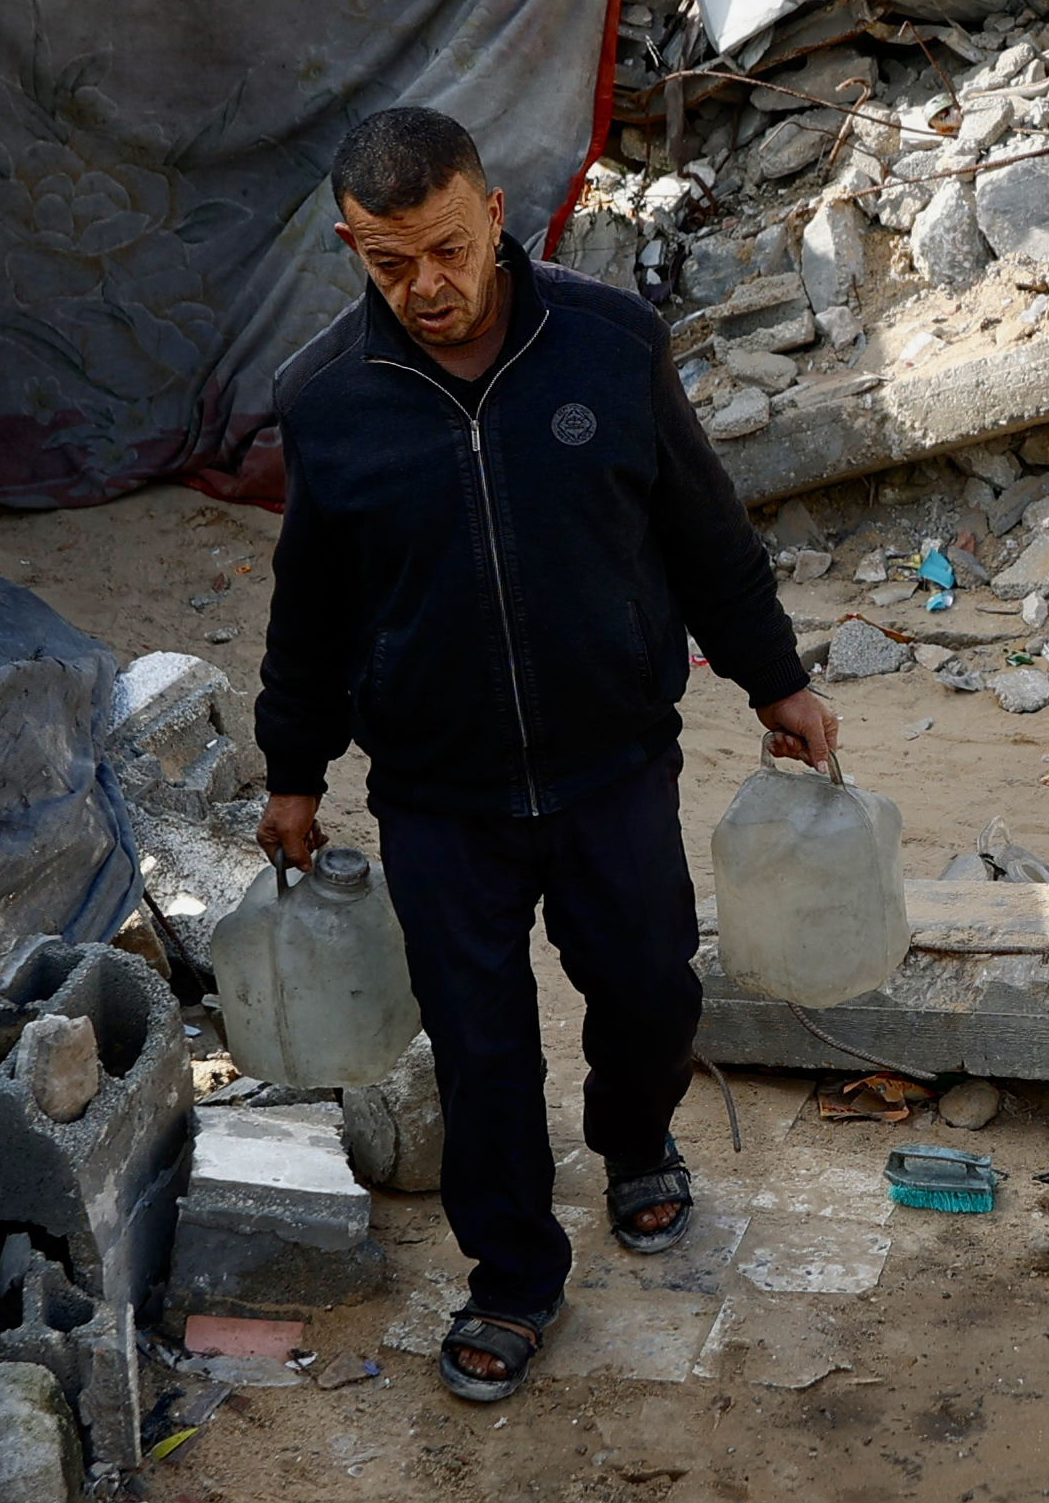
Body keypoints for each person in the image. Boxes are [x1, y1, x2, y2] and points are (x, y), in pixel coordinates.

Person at [252, 104, 839, 1404]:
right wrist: (293, 770)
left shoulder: (610, 348)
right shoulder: (327, 401)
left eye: (448, 250)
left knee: (648, 994)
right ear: (352, 246)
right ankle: (515, 1276)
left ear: (495, 212)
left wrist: (777, 680)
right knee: (481, 1047)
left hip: (612, 765)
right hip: (438, 796)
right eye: (390, 263)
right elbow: (311, 611)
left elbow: (703, 538)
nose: (428, 288)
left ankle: (634, 1143)